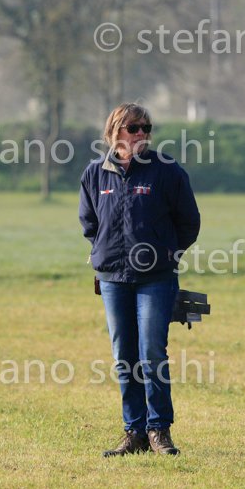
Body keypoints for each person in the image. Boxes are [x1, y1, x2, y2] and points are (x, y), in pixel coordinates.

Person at [79, 103, 201, 457]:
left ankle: (158, 430)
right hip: (113, 278)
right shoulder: (95, 173)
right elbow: (89, 223)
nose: (142, 134)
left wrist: (167, 254)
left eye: (147, 128)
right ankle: (133, 432)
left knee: (151, 353)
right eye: (134, 128)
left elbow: (189, 222)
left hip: (156, 279)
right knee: (124, 356)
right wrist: (105, 252)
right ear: (115, 130)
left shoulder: (167, 171)